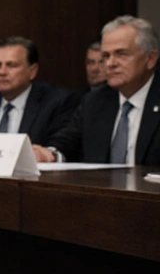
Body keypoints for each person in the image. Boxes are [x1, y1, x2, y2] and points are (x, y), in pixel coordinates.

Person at [40, 16, 160, 165]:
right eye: (106, 56)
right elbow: (67, 143)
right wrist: (49, 154)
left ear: (150, 59)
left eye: (121, 54)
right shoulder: (95, 102)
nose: (110, 64)